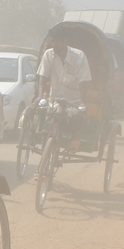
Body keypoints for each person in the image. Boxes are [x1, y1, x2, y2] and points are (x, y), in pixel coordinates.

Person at [37, 25, 92, 153]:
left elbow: (83, 81)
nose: (54, 44)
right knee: (46, 130)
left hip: (74, 102)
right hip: (54, 101)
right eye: (52, 41)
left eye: (57, 41)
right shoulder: (48, 54)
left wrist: (83, 102)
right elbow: (43, 76)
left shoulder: (79, 56)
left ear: (65, 41)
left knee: (74, 125)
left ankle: (74, 137)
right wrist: (40, 96)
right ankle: (47, 156)